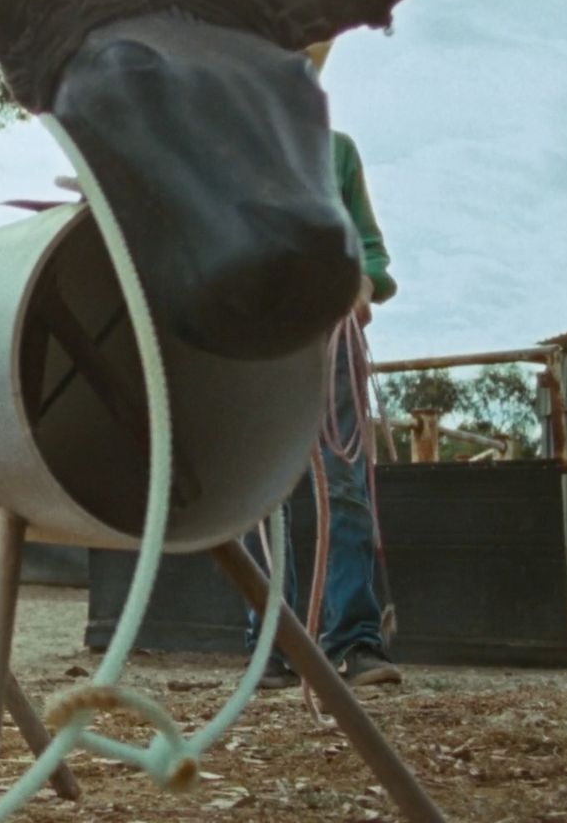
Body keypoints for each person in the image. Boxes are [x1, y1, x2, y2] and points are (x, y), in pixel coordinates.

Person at [244, 46, 401, 690]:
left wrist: (361, 286)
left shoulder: (339, 154)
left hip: (331, 341)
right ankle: (268, 646)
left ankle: (355, 641)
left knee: (343, 485)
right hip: (257, 345)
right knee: (258, 491)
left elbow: (369, 251)